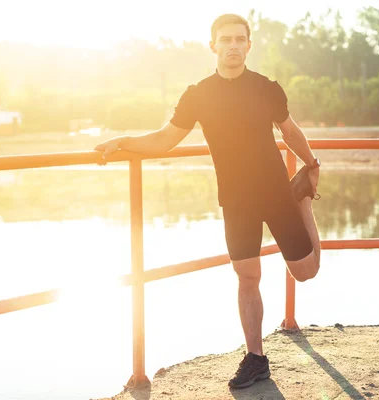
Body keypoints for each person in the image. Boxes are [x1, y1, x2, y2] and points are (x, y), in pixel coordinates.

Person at [94, 13, 322, 389]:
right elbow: (165, 139)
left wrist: (311, 165)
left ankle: (305, 206)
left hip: (279, 195)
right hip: (236, 200)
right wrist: (122, 141)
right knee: (247, 277)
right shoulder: (198, 94)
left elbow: (290, 130)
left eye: (239, 39)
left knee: (305, 272)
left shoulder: (267, 88)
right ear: (213, 45)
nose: (233, 46)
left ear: (249, 45)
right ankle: (256, 357)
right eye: (225, 39)